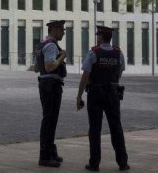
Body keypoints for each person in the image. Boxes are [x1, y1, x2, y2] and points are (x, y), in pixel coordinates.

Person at [76, 25, 130, 171]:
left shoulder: (94, 53)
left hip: (96, 93)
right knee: (116, 128)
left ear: (100, 37)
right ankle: (123, 163)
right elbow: (119, 73)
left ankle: (94, 164)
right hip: (113, 93)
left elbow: (85, 76)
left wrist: (79, 95)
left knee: (94, 129)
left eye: (97, 35)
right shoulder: (118, 53)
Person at [33, 20, 67, 167]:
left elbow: (36, 68)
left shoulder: (41, 45)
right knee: (50, 121)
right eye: (61, 29)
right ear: (53, 29)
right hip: (52, 86)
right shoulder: (52, 46)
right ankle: (45, 156)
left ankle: (51, 151)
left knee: (49, 119)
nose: (63, 32)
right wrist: (62, 57)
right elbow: (50, 66)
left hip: (44, 85)